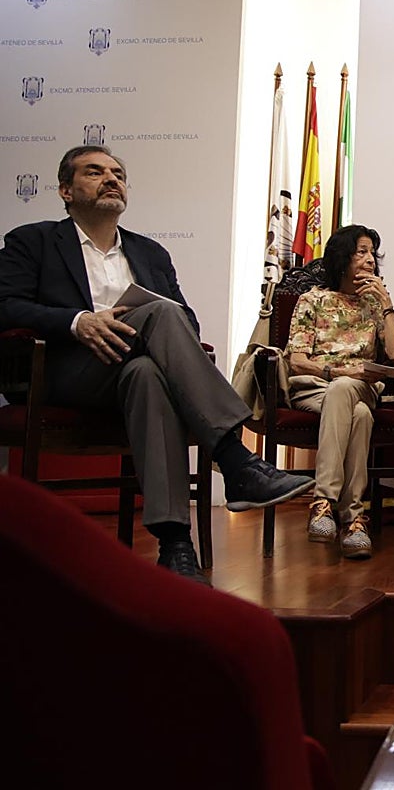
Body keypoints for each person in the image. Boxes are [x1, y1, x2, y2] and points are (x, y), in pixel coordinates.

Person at [0, 145, 314, 583]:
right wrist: (77, 322)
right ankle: (235, 457)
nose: (111, 179)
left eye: (118, 173)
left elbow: (187, 320)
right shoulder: (32, 241)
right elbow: (6, 306)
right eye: (94, 172)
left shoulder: (149, 253)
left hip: (130, 374)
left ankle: (175, 546)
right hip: (67, 371)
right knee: (161, 316)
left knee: (148, 371)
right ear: (66, 191)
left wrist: (146, 321)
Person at [284, 225, 394, 559]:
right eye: (361, 252)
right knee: (360, 413)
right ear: (342, 257)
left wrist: (386, 303)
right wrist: (339, 371)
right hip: (314, 388)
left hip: (360, 386)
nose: (369, 260)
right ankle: (353, 517)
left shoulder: (374, 304)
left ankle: (323, 502)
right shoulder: (312, 300)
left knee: (350, 391)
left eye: (372, 254)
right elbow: (296, 361)